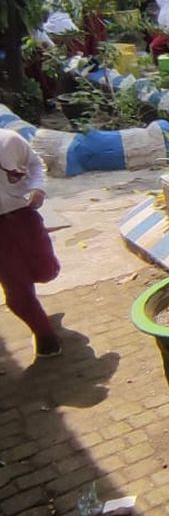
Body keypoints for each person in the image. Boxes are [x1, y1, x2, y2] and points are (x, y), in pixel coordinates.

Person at [0, 129, 62, 358]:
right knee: (17, 288)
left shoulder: (9, 140)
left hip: (25, 217)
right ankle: (44, 334)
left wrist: (37, 188)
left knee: (46, 271)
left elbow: (35, 164)